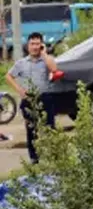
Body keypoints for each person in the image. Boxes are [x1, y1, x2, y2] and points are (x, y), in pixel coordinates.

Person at [7, 33, 59, 163]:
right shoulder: (21, 63)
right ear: (28, 45)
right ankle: (34, 158)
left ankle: (55, 156)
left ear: (41, 45)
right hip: (29, 100)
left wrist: (44, 53)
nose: (35, 47)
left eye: (37, 44)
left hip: (45, 97)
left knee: (50, 128)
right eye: (32, 44)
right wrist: (19, 89)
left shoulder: (47, 59)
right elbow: (8, 76)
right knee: (31, 130)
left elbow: (54, 70)